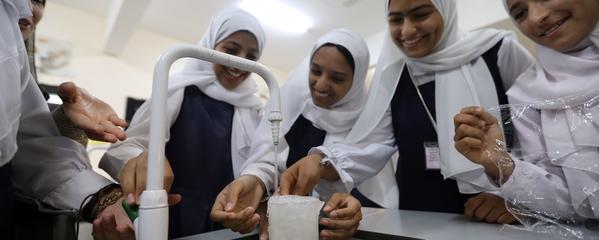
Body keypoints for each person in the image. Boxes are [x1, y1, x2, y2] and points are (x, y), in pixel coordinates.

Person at [279, 0, 535, 224]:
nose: (407, 30)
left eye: (420, 14)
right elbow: (373, 143)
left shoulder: (498, 52)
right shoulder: (396, 76)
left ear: (445, 9)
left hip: (494, 213)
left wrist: (519, 199)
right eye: (396, 19)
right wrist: (322, 162)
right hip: (417, 215)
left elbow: (539, 136)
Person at [99, 8, 267, 239]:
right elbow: (126, 147)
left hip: (227, 222)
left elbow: (263, 165)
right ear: (210, 46)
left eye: (251, 57)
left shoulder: (254, 109)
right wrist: (139, 162)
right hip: (171, 217)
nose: (239, 63)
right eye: (231, 50)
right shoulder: (175, 92)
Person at [211, 29, 367, 240]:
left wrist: (352, 210)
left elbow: (368, 181)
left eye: (337, 78)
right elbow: (267, 159)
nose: (321, 84)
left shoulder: (367, 124)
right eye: (315, 71)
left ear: (356, 81)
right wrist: (254, 179)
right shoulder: (291, 107)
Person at [454, 0, 599, 221]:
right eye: (520, 13)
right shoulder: (529, 95)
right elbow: (569, 205)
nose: (535, 17)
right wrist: (501, 163)